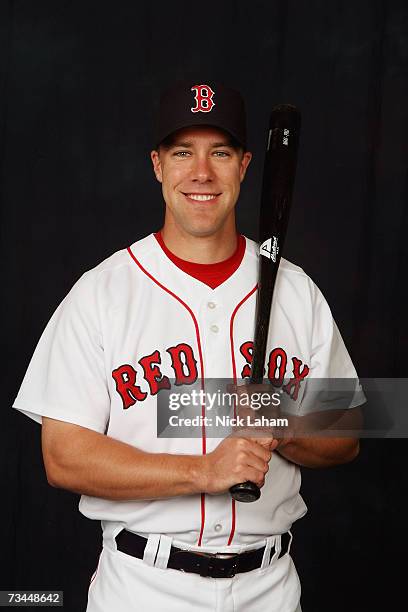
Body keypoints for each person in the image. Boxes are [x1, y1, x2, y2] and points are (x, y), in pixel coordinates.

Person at [13, 80, 365, 612]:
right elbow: (63, 456)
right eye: (183, 153)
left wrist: (282, 425)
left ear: (246, 165)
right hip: (143, 588)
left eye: (220, 153)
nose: (201, 173)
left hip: (270, 588)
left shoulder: (298, 291)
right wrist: (203, 471)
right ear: (158, 165)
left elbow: (349, 433)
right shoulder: (102, 292)